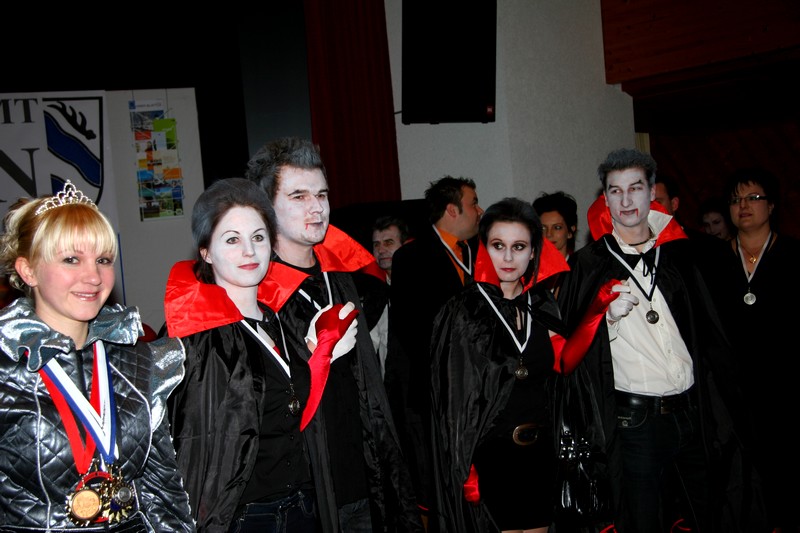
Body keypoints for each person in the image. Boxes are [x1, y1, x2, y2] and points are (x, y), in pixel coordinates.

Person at [556, 149, 758, 533]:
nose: (626, 200)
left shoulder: (682, 252)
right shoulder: (589, 263)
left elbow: (711, 334)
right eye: (615, 191)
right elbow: (572, 353)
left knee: (710, 514)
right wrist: (605, 319)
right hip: (636, 423)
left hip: (693, 411)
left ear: (652, 193)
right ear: (605, 198)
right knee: (644, 522)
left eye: (635, 188)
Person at [244, 137, 423, 533]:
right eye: (299, 196)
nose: (317, 208)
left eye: (322, 195)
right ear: (266, 208)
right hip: (307, 494)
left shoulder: (342, 280)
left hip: (365, 478)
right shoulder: (256, 295)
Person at [164, 178, 359, 532]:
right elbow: (189, 444)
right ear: (206, 252)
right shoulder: (194, 336)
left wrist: (320, 355)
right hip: (244, 517)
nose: (249, 251)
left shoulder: (282, 320)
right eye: (232, 240)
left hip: (306, 506)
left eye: (258, 237)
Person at [0, 180, 193, 531]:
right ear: (28, 270)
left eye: (103, 260)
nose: (93, 276)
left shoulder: (138, 359)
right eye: (71, 259)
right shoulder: (5, 364)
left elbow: (161, 491)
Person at [384, 175, 483, 526]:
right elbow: (412, 330)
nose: (479, 211)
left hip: (478, 389)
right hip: (434, 392)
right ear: (452, 209)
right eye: (473, 203)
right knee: (436, 484)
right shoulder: (412, 257)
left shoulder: (480, 251)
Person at [723, 167, 800, 532]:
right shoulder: (713, 261)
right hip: (733, 392)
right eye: (736, 200)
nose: (744, 206)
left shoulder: (793, 255)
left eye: (753, 198)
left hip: (785, 387)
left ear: (771, 206)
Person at [369, 215, 410, 377]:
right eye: (376, 244)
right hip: (387, 384)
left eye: (388, 243)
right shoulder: (374, 295)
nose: (381, 250)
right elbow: (370, 343)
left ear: (405, 246)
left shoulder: (421, 290)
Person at [532, 190, 579, 258]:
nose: (548, 234)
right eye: (543, 228)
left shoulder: (582, 264)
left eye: (557, 228)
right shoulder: (526, 264)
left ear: (570, 232)